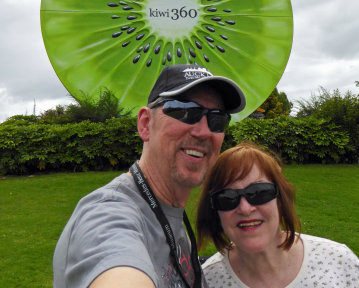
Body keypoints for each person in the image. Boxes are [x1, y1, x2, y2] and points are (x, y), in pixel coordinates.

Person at [53, 64, 246, 288]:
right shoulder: (107, 213)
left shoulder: (169, 212)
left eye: (217, 119)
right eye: (185, 111)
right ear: (145, 124)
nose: (203, 132)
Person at [196, 142, 359, 287]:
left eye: (259, 192)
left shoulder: (338, 262)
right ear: (214, 211)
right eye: (227, 198)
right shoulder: (206, 281)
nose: (245, 208)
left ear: (280, 200)